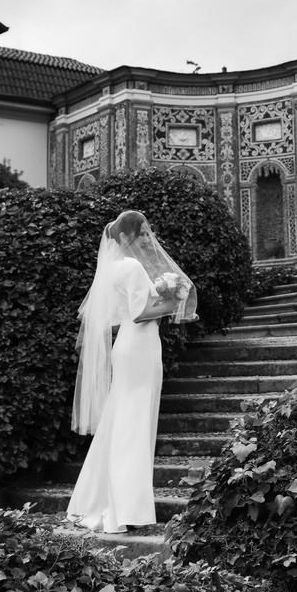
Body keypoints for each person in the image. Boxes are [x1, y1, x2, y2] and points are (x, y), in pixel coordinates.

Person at [67, 209, 197, 533]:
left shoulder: (110, 269)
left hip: (124, 346)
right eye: (141, 233)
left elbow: (125, 311)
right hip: (139, 347)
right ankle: (122, 508)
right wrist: (174, 303)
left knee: (120, 421)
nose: (146, 238)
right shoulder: (133, 266)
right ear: (126, 237)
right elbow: (141, 313)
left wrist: (163, 295)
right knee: (134, 424)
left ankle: (103, 501)